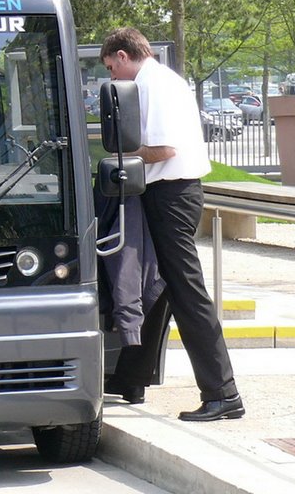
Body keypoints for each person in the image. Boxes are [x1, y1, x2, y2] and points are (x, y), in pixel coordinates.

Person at [100, 27, 244, 422]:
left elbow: (163, 149)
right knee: (159, 286)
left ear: (124, 55)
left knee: (186, 292)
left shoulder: (154, 85)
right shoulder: (161, 81)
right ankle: (131, 376)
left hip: (171, 194)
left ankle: (222, 392)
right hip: (168, 193)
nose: (114, 77)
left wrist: (120, 154)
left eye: (113, 68)